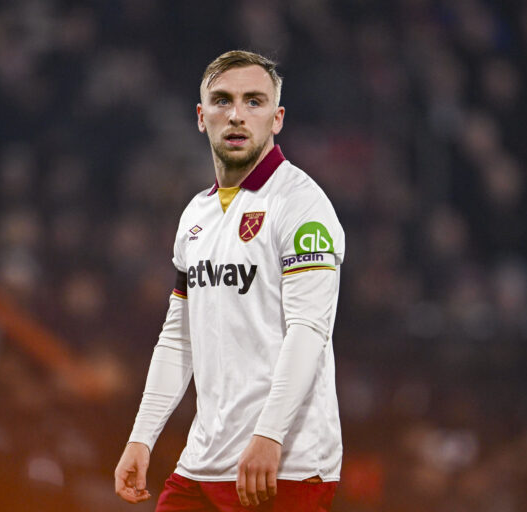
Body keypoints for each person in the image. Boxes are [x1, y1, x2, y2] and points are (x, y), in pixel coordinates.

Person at [115, 50, 345, 511]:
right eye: (222, 101)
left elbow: (308, 331)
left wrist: (269, 435)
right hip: (202, 461)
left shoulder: (302, 206)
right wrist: (141, 438)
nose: (237, 115)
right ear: (202, 118)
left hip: (284, 466)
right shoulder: (196, 215)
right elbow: (178, 338)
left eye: (254, 101)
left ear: (277, 118)